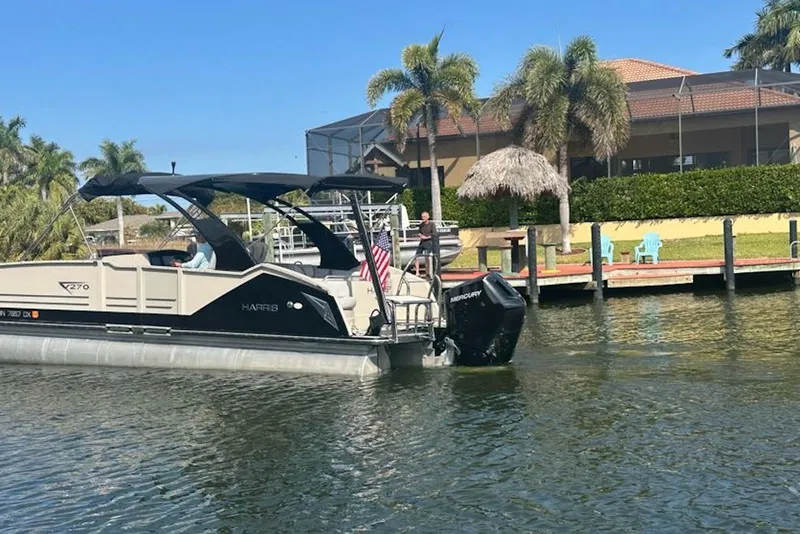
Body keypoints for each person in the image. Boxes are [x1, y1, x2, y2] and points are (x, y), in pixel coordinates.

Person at [414, 211, 436, 276]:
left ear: (428, 217)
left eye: (424, 217)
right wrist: (420, 235)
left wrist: (426, 237)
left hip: (429, 242)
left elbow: (434, 234)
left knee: (427, 257)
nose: (423, 218)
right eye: (422, 217)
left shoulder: (432, 224)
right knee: (416, 256)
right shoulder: (421, 225)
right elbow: (419, 232)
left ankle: (428, 272)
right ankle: (417, 272)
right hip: (422, 242)